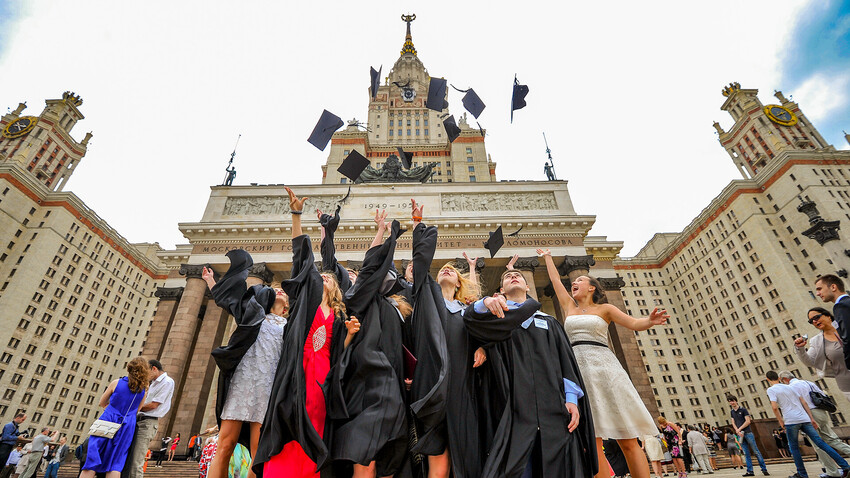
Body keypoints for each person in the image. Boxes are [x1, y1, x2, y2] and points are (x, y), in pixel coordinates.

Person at [256, 187, 360, 477]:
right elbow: (301, 253)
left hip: (324, 375)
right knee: (289, 419)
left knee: (316, 423)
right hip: (297, 370)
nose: (323, 276)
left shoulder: (339, 314)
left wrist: (350, 332)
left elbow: (340, 349)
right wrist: (297, 215)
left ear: (337, 285)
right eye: (320, 275)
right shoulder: (306, 299)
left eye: (328, 276)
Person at [540, 249, 665, 478]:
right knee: (593, 439)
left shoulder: (605, 309)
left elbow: (634, 323)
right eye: (573, 281)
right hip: (579, 370)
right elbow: (556, 280)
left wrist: (650, 320)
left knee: (627, 439)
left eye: (579, 280)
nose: (573, 282)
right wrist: (547, 257)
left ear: (592, 288)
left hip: (606, 370)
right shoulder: (568, 306)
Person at [464, 268, 597, 478]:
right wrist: (485, 301)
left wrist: (571, 399)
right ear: (502, 290)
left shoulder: (550, 322)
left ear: (528, 286)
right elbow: (470, 320)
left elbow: (566, 362)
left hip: (552, 406)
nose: (513, 277)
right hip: (512, 407)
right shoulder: (496, 321)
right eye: (507, 276)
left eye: (518, 276)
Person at [406, 200, 491, 478]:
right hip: (432, 382)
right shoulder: (427, 295)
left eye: (452, 271)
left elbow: (484, 334)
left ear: (459, 283)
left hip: (462, 384)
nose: (445, 270)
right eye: (441, 268)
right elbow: (420, 263)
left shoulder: (467, 311)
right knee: (438, 457)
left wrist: (482, 347)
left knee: (464, 452)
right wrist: (417, 223)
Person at [322, 209, 410, 478]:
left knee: (385, 452)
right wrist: (382, 232)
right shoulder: (357, 299)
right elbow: (370, 267)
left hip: (392, 381)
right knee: (363, 449)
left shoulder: (397, 308)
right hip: (364, 380)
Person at [201, 226, 291, 478]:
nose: (280, 290)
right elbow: (232, 300)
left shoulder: (289, 325)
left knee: (258, 450)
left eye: (284, 290)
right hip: (242, 382)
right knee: (225, 444)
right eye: (277, 288)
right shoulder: (253, 314)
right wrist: (211, 282)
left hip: (268, 387)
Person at [765, 370, 850, 478]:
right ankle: (845, 465)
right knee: (826, 441)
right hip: (814, 415)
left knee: (803, 446)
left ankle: (814, 473)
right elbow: (813, 399)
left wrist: (781, 421)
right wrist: (810, 418)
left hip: (798, 418)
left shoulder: (780, 388)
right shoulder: (801, 384)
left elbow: (776, 406)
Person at [81, 357, 149, 478]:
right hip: (127, 426)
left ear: (129, 368)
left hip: (108, 420)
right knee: (116, 463)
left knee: (92, 460)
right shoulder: (143, 390)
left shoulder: (116, 383)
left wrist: (111, 409)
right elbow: (137, 410)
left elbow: (102, 402)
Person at [126, 359, 175, 478]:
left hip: (147, 422)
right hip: (136, 419)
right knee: (127, 459)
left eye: (146, 371)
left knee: (136, 461)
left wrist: (132, 407)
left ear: (154, 368)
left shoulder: (167, 382)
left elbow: (154, 405)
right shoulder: (151, 383)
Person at [795, 307, 850, 401]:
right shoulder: (817, 341)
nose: (815, 321)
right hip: (847, 384)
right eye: (811, 321)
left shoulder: (846, 326)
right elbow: (810, 362)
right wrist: (800, 349)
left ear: (828, 316)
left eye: (816, 317)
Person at [815, 275, 850, 370]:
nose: (818, 294)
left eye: (820, 289)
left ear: (833, 287)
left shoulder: (841, 306)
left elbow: (848, 337)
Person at [727, 395, 769, 476]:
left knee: (756, 451)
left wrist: (739, 429)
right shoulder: (732, 412)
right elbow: (733, 422)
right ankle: (750, 471)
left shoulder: (743, 410)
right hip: (740, 434)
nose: (731, 403)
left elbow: (748, 421)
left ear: (736, 401)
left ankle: (764, 469)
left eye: (732, 401)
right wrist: (737, 430)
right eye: (730, 401)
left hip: (747, 433)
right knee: (746, 453)